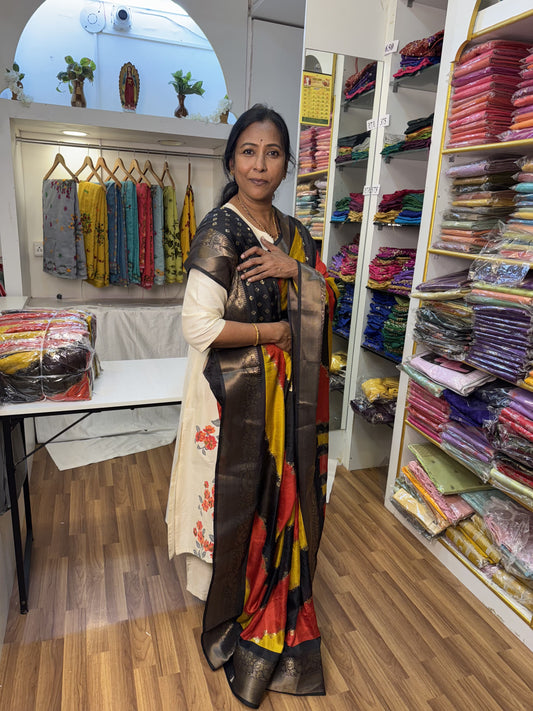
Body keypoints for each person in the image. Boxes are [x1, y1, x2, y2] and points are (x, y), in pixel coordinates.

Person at [166, 104, 337, 708]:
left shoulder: (297, 235)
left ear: (286, 165)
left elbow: (328, 296)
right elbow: (198, 326)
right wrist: (274, 333)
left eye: (272, 153)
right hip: (233, 400)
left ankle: (273, 595)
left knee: (280, 495)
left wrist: (298, 272)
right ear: (231, 160)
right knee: (236, 497)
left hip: (288, 401)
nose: (260, 165)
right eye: (248, 151)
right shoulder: (221, 229)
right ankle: (232, 603)